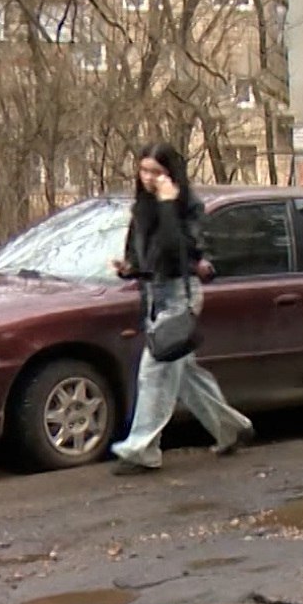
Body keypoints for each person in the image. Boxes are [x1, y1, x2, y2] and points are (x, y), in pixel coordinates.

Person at [107, 142, 252, 475]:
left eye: (156, 172)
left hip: (179, 296)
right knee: (185, 375)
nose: (148, 178)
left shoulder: (186, 206)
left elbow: (178, 252)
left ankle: (141, 449)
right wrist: (129, 268)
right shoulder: (142, 208)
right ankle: (230, 427)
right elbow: (146, 258)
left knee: (154, 372)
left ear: (171, 174)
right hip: (154, 296)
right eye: (143, 170)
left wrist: (169, 205)